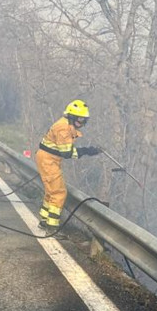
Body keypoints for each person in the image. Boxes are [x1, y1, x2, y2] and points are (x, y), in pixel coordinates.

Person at [36, 100, 101, 233]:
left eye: (84, 120)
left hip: (50, 159)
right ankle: (52, 227)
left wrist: (88, 150)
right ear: (71, 116)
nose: (81, 123)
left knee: (51, 191)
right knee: (59, 193)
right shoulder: (63, 128)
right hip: (48, 160)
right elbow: (67, 153)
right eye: (80, 119)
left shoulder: (66, 125)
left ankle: (44, 221)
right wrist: (87, 151)